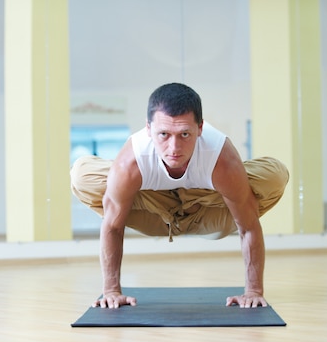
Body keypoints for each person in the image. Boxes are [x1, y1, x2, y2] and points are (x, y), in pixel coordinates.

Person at [70, 83, 289, 309]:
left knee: (275, 175)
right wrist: (111, 291)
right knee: (82, 175)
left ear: (200, 128)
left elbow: (249, 226)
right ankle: (158, 194)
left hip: (207, 216)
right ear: (148, 129)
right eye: (163, 134)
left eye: (185, 134)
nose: (174, 147)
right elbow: (113, 227)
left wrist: (253, 291)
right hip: (154, 216)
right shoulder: (131, 162)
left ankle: (208, 194)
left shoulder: (221, 159)